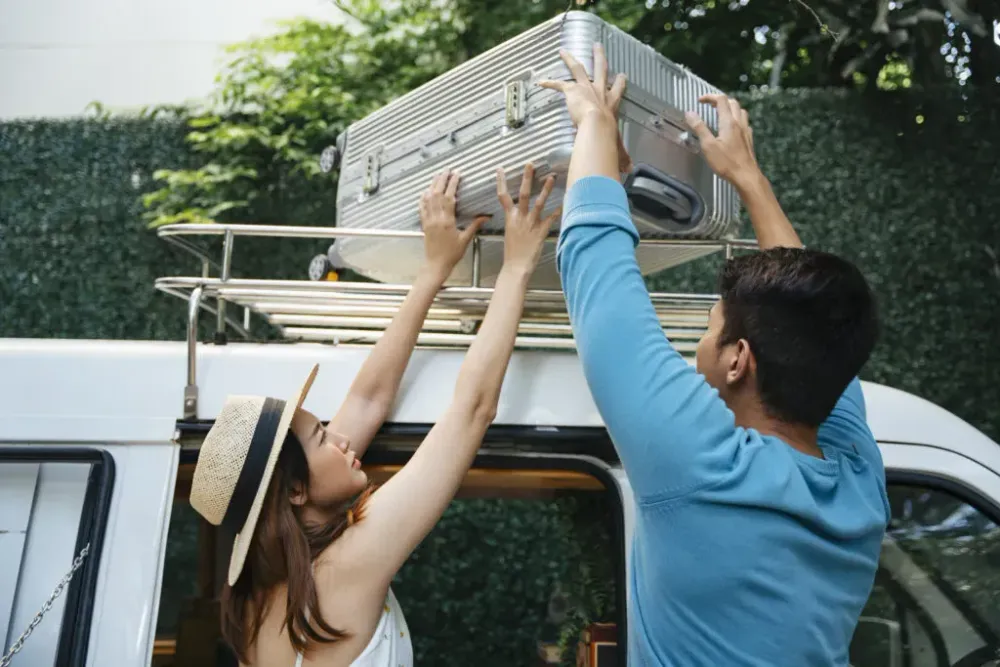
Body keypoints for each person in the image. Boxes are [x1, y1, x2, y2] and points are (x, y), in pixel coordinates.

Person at [541, 45, 889, 666]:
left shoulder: (700, 462)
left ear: (738, 362)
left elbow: (599, 272)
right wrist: (748, 181)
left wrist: (596, 122)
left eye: (709, 328)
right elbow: (813, 325)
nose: (698, 343)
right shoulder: (857, 480)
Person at [188, 165, 559, 666]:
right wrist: (516, 265)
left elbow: (367, 402)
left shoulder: (257, 607)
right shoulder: (344, 568)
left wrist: (433, 271)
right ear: (295, 490)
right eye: (324, 437)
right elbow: (471, 412)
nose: (343, 440)